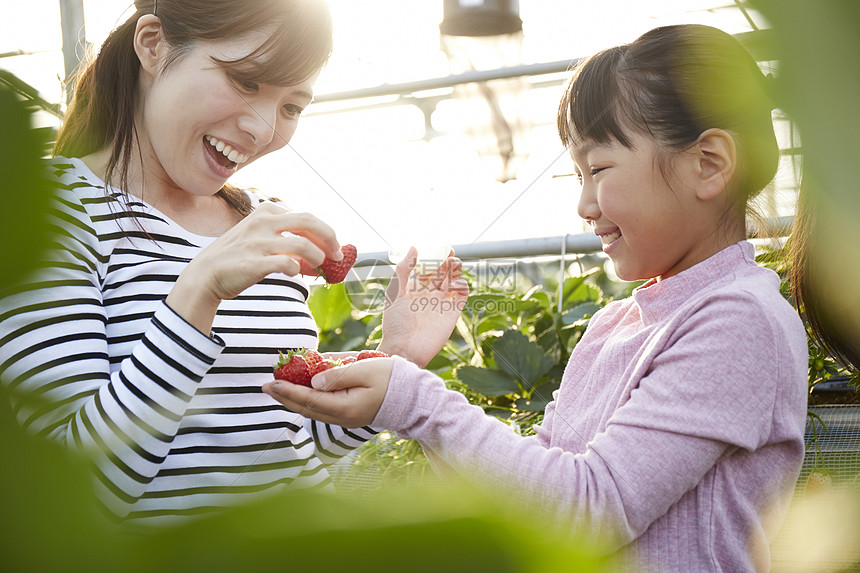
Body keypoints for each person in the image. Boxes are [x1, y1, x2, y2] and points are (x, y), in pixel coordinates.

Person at [264, 24, 809, 572]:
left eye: (598, 170)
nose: (583, 204)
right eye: (577, 175)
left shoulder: (741, 320)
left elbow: (590, 511)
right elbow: (530, 502)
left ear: (708, 164)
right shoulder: (616, 324)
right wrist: (397, 366)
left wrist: (417, 401)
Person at [0, 0, 466, 527]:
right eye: (246, 81)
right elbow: (74, 496)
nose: (263, 128)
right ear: (153, 45)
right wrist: (197, 290)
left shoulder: (256, 219)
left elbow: (284, 440)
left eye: (292, 106)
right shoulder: (45, 212)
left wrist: (397, 354)